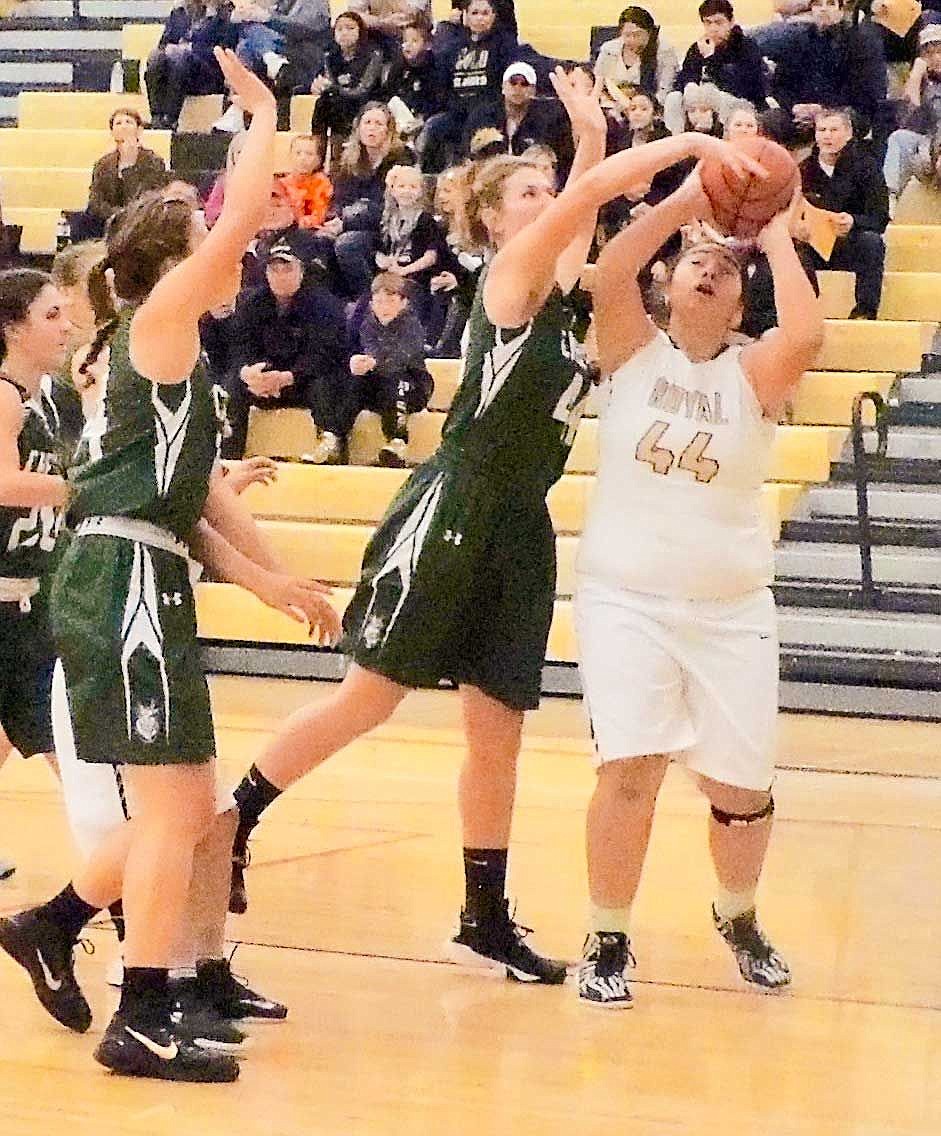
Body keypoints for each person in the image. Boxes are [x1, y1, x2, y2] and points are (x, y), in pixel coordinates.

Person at [227, 69, 617, 980]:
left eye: (546, 187)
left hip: (520, 524)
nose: (545, 198)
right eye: (527, 191)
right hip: (456, 506)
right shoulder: (508, 279)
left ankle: (482, 916)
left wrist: (593, 140)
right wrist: (690, 152)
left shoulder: (558, 289)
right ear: (490, 218)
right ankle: (233, 820)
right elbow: (584, 207)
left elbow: (586, 206)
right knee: (369, 698)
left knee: (499, 731)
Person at [0, 49, 340, 1083]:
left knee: (191, 810)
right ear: (173, 256)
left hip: (146, 569)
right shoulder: (155, 323)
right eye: (204, 242)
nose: (227, 252)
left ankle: (76, 938)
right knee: (168, 810)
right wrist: (264, 119)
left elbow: (184, 501)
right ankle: (141, 1005)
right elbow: (241, 219)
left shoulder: (167, 352)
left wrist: (269, 580)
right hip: (119, 580)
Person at [573, 144, 824, 1009]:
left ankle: (737, 914)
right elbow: (610, 266)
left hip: (728, 610)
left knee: (740, 789)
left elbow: (807, 333)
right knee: (630, 769)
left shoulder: (754, 374)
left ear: (739, 301)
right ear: (669, 288)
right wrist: (688, 202)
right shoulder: (632, 353)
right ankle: (607, 936)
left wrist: (775, 230)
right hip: (624, 600)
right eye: (692, 264)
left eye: (724, 267)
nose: (706, 270)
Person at [0, 270, 74, 884]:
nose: (66, 325)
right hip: (5, 602)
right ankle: (124, 862)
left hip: (27, 597)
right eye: (51, 316)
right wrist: (86, 488)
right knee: (67, 748)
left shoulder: (46, 399)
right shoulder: (3, 395)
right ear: (13, 327)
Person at [221, 239, 354, 462]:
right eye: (275, 270)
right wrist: (249, 373)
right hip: (265, 381)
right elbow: (239, 344)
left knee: (324, 385)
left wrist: (288, 377)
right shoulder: (252, 303)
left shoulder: (324, 305)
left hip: (303, 381)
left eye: (288, 269)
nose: (281, 276)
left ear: (301, 271)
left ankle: (332, 447)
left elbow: (324, 353)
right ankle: (228, 455)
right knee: (233, 384)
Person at [797, 106, 889, 319]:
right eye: (822, 130)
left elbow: (879, 217)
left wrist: (853, 221)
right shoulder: (804, 169)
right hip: (812, 244)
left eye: (834, 130)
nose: (827, 136)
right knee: (791, 249)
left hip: (850, 243)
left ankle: (865, 311)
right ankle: (804, 312)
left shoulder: (867, 167)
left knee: (872, 243)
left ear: (848, 134)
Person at [765, 0, 887, 146]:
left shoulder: (861, 41)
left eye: (830, 4)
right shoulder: (797, 41)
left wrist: (824, 109)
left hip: (844, 111)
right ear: (811, 11)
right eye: (818, 5)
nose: (823, 10)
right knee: (770, 120)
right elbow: (781, 85)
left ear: (841, 10)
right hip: (801, 114)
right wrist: (794, 107)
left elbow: (867, 91)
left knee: (840, 122)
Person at [422, 0, 519, 173]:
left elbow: (505, 81)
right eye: (475, 13)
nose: (480, 18)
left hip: (489, 110)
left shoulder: (504, 43)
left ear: (493, 16)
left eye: (485, 13)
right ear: (465, 16)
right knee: (434, 127)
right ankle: (429, 178)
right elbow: (442, 84)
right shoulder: (453, 46)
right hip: (458, 110)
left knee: (476, 120)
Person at [351, 272, 433, 467]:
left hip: (413, 384)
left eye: (390, 300)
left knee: (397, 382)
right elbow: (366, 351)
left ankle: (398, 439)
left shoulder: (412, 327)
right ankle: (334, 435)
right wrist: (358, 363)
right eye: (378, 301)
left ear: (403, 302)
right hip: (379, 383)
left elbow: (401, 358)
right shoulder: (367, 326)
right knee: (350, 383)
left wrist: (375, 362)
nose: (384, 307)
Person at [666, 0, 768, 135]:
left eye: (718, 22)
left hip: (740, 102)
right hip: (702, 105)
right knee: (674, 97)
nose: (713, 28)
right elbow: (683, 77)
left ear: (731, 22)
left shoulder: (747, 47)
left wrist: (710, 59)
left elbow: (744, 88)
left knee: (720, 97)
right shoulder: (698, 48)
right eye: (708, 23)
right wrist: (689, 85)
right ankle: (676, 142)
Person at [461, 62, 573, 172]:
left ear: (533, 90)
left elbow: (564, 160)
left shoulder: (550, 118)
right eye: (513, 82)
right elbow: (468, 155)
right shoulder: (482, 116)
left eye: (524, 84)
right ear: (503, 86)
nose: (518, 88)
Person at [308, 10, 383, 153]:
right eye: (340, 29)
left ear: (360, 31)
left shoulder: (372, 56)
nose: (344, 33)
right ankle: (317, 152)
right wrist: (316, 86)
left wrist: (334, 89)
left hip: (364, 103)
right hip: (338, 102)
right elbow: (325, 82)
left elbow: (363, 89)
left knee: (340, 103)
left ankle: (348, 150)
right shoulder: (330, 56)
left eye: (350, 28)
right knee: (322, 103)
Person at [86, 109, 168, 231]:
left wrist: (129, 168)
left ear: (139, 130)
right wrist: (117, 215)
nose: (123, 126)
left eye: (128, 122)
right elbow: (95, 201)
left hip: (142, 221)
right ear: (112, 132)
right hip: (109, 220)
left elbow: (148, 198)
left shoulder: (153, 161)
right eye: (118, 123)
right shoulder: (103, 164)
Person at [593, 6, 678, 109]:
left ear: (649, 33)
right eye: (627, 35)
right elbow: (599, 83)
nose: (632, 40)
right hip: (612, 104)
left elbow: (664, 91)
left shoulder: (664, 51)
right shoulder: (609, 49)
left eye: (637, 35)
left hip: (648, 107)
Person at [277, 133, 333, 229]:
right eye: (298, 153)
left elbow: (321, 211)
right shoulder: (281, 184)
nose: (303, 158)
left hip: (313, 230)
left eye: (309, 154)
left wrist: (308, 221)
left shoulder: (322, 183)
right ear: (290, 156)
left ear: (318, 160)